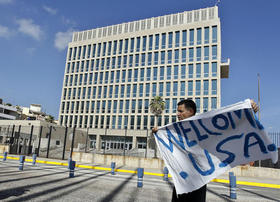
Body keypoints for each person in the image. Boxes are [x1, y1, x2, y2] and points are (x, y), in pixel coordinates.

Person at [152, 98, 259, 202]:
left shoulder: (203, 127)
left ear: (190, 111)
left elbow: (230, 125)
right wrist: (158, 132)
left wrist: (248, 107)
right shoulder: (175, 130)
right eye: (177, 111)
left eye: (180, 111)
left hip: (198, 181)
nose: (177, 114)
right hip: (181, 182)